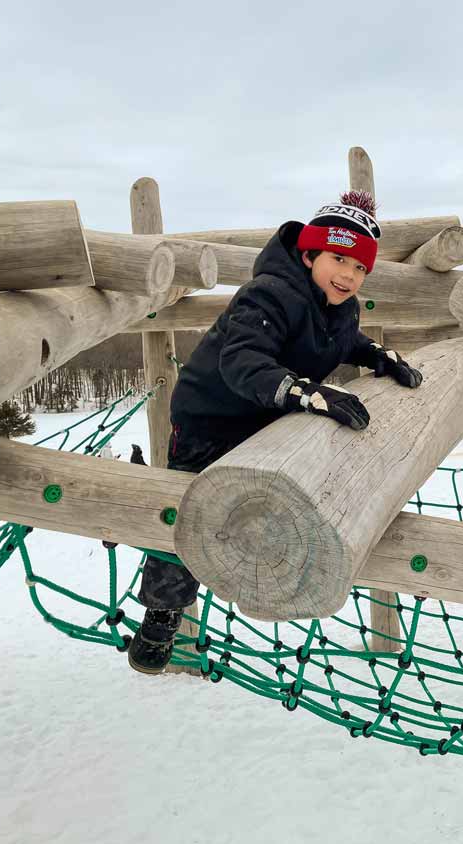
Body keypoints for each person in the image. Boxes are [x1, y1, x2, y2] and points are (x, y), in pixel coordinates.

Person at [127, 192, 424, 675]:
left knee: (279, 486)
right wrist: (302, 391)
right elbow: (242, 359)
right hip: (212, 418)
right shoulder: (269, 293)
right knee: (191, 511)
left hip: (267, 414)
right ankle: (162, 612)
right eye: (338, 259)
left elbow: (341, 340)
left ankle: (281, 562)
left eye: (361, 268)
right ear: (309, 254)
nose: (349, 276)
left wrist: (375, 356)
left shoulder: (339, 305)